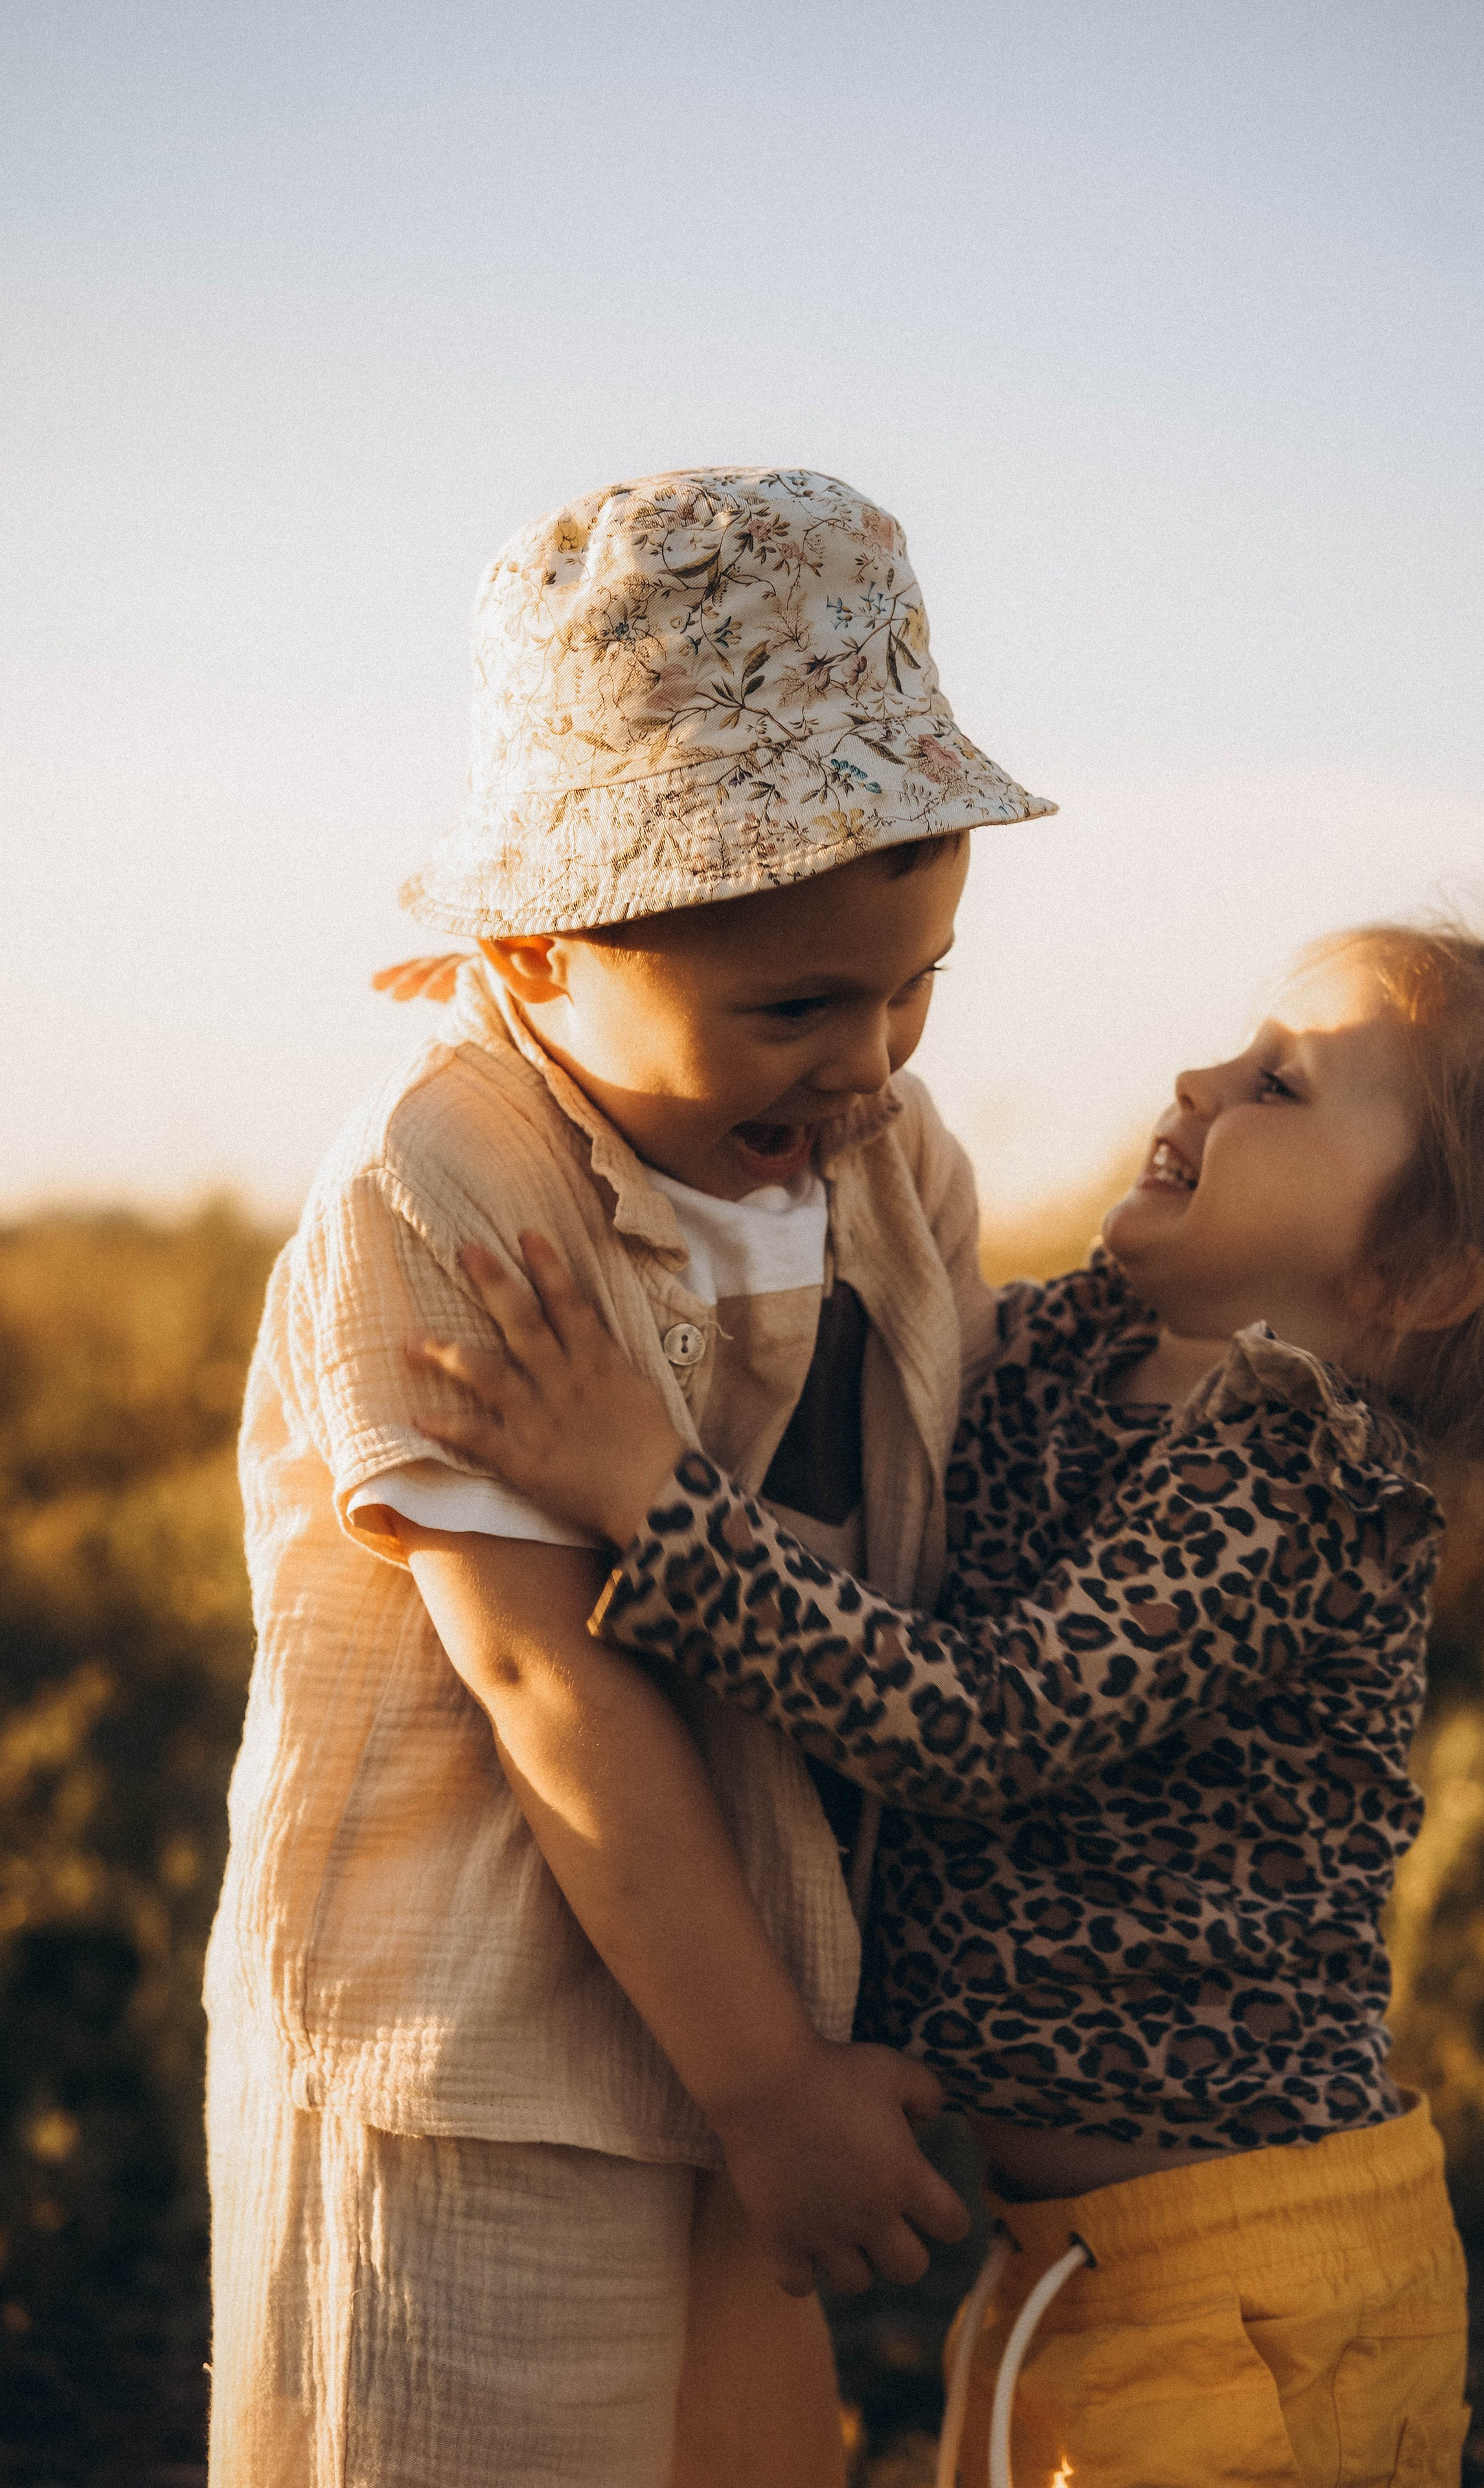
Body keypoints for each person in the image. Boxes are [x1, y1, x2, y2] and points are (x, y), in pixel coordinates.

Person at [412, 925, 1484, 2487]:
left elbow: (980, 1726)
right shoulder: (1084, 1347)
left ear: (1410, 1276)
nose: (1198, 1080)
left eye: (1277, 1083)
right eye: (1236, 1045)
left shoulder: (1296, 1475)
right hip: (1086, 2257)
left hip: (1246, 2280)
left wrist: (647, 1496)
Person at [204, 465, 1058, 2488]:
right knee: (468, 2434)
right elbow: (534, 1677)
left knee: (730, 2449)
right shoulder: (456, 1176)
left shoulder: (886, 1155)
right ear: (539, 945)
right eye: (791, 1005)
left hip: (768, 1953)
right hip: (484, 2025)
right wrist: (766, 2084)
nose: (866, 1057)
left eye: (915, 980)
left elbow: (925, 1490)